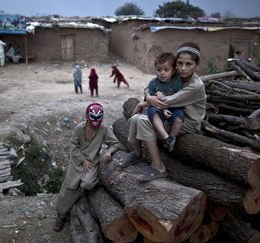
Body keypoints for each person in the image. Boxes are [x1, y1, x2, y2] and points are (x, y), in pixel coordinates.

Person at [124, 42, 206, 182]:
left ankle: (159, 167)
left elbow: (166, 102)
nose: (183, 68)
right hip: (170, 114)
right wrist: (148, 95)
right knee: (135, 118)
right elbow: (152, 86)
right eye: (180, 63)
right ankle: (137, 153)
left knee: (143, 121)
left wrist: (145, 101)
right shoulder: (176, 76)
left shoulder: (195, 85)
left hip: (186, 122)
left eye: (188, 64)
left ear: (196, 65)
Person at [53, 103, 120, 232]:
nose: (96, 122)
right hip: (77, 162)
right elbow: (74, 147)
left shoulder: (104, 129)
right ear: (87, 117)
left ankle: (81, 195)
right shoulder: (79, 128)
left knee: (87, 184)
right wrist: (83, 160)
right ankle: (60, 216)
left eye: (98, 119)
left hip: (92, 163)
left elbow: (115, 143)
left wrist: (109, 152)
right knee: (69, 186)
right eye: (93, 119)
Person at [132, 52, 184, 152]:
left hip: (174, 107)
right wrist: (163, 108)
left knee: (179, 117)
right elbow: (151, 101)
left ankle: (172, 138)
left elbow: (179, 99)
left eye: (166, 70)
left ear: (173, 71)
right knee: (152, 112)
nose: (162, 73)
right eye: (159, 70)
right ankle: (165, 136)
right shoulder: (153, 83)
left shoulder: (177, 82)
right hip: (158, 108)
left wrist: (165, 104)